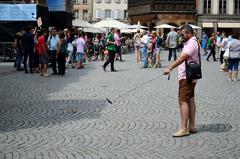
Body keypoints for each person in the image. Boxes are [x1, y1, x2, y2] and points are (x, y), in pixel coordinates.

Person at [164, 24, 200, 137]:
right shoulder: (191, 42)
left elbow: (183, 57)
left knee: (183, 100)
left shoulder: (192, 42)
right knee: (190, 99)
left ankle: (184, 129)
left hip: (187, 77)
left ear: (189, 33)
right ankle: (192, 126)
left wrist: (170, 67)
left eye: (182, 34)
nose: (181, 36)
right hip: (189, 76)